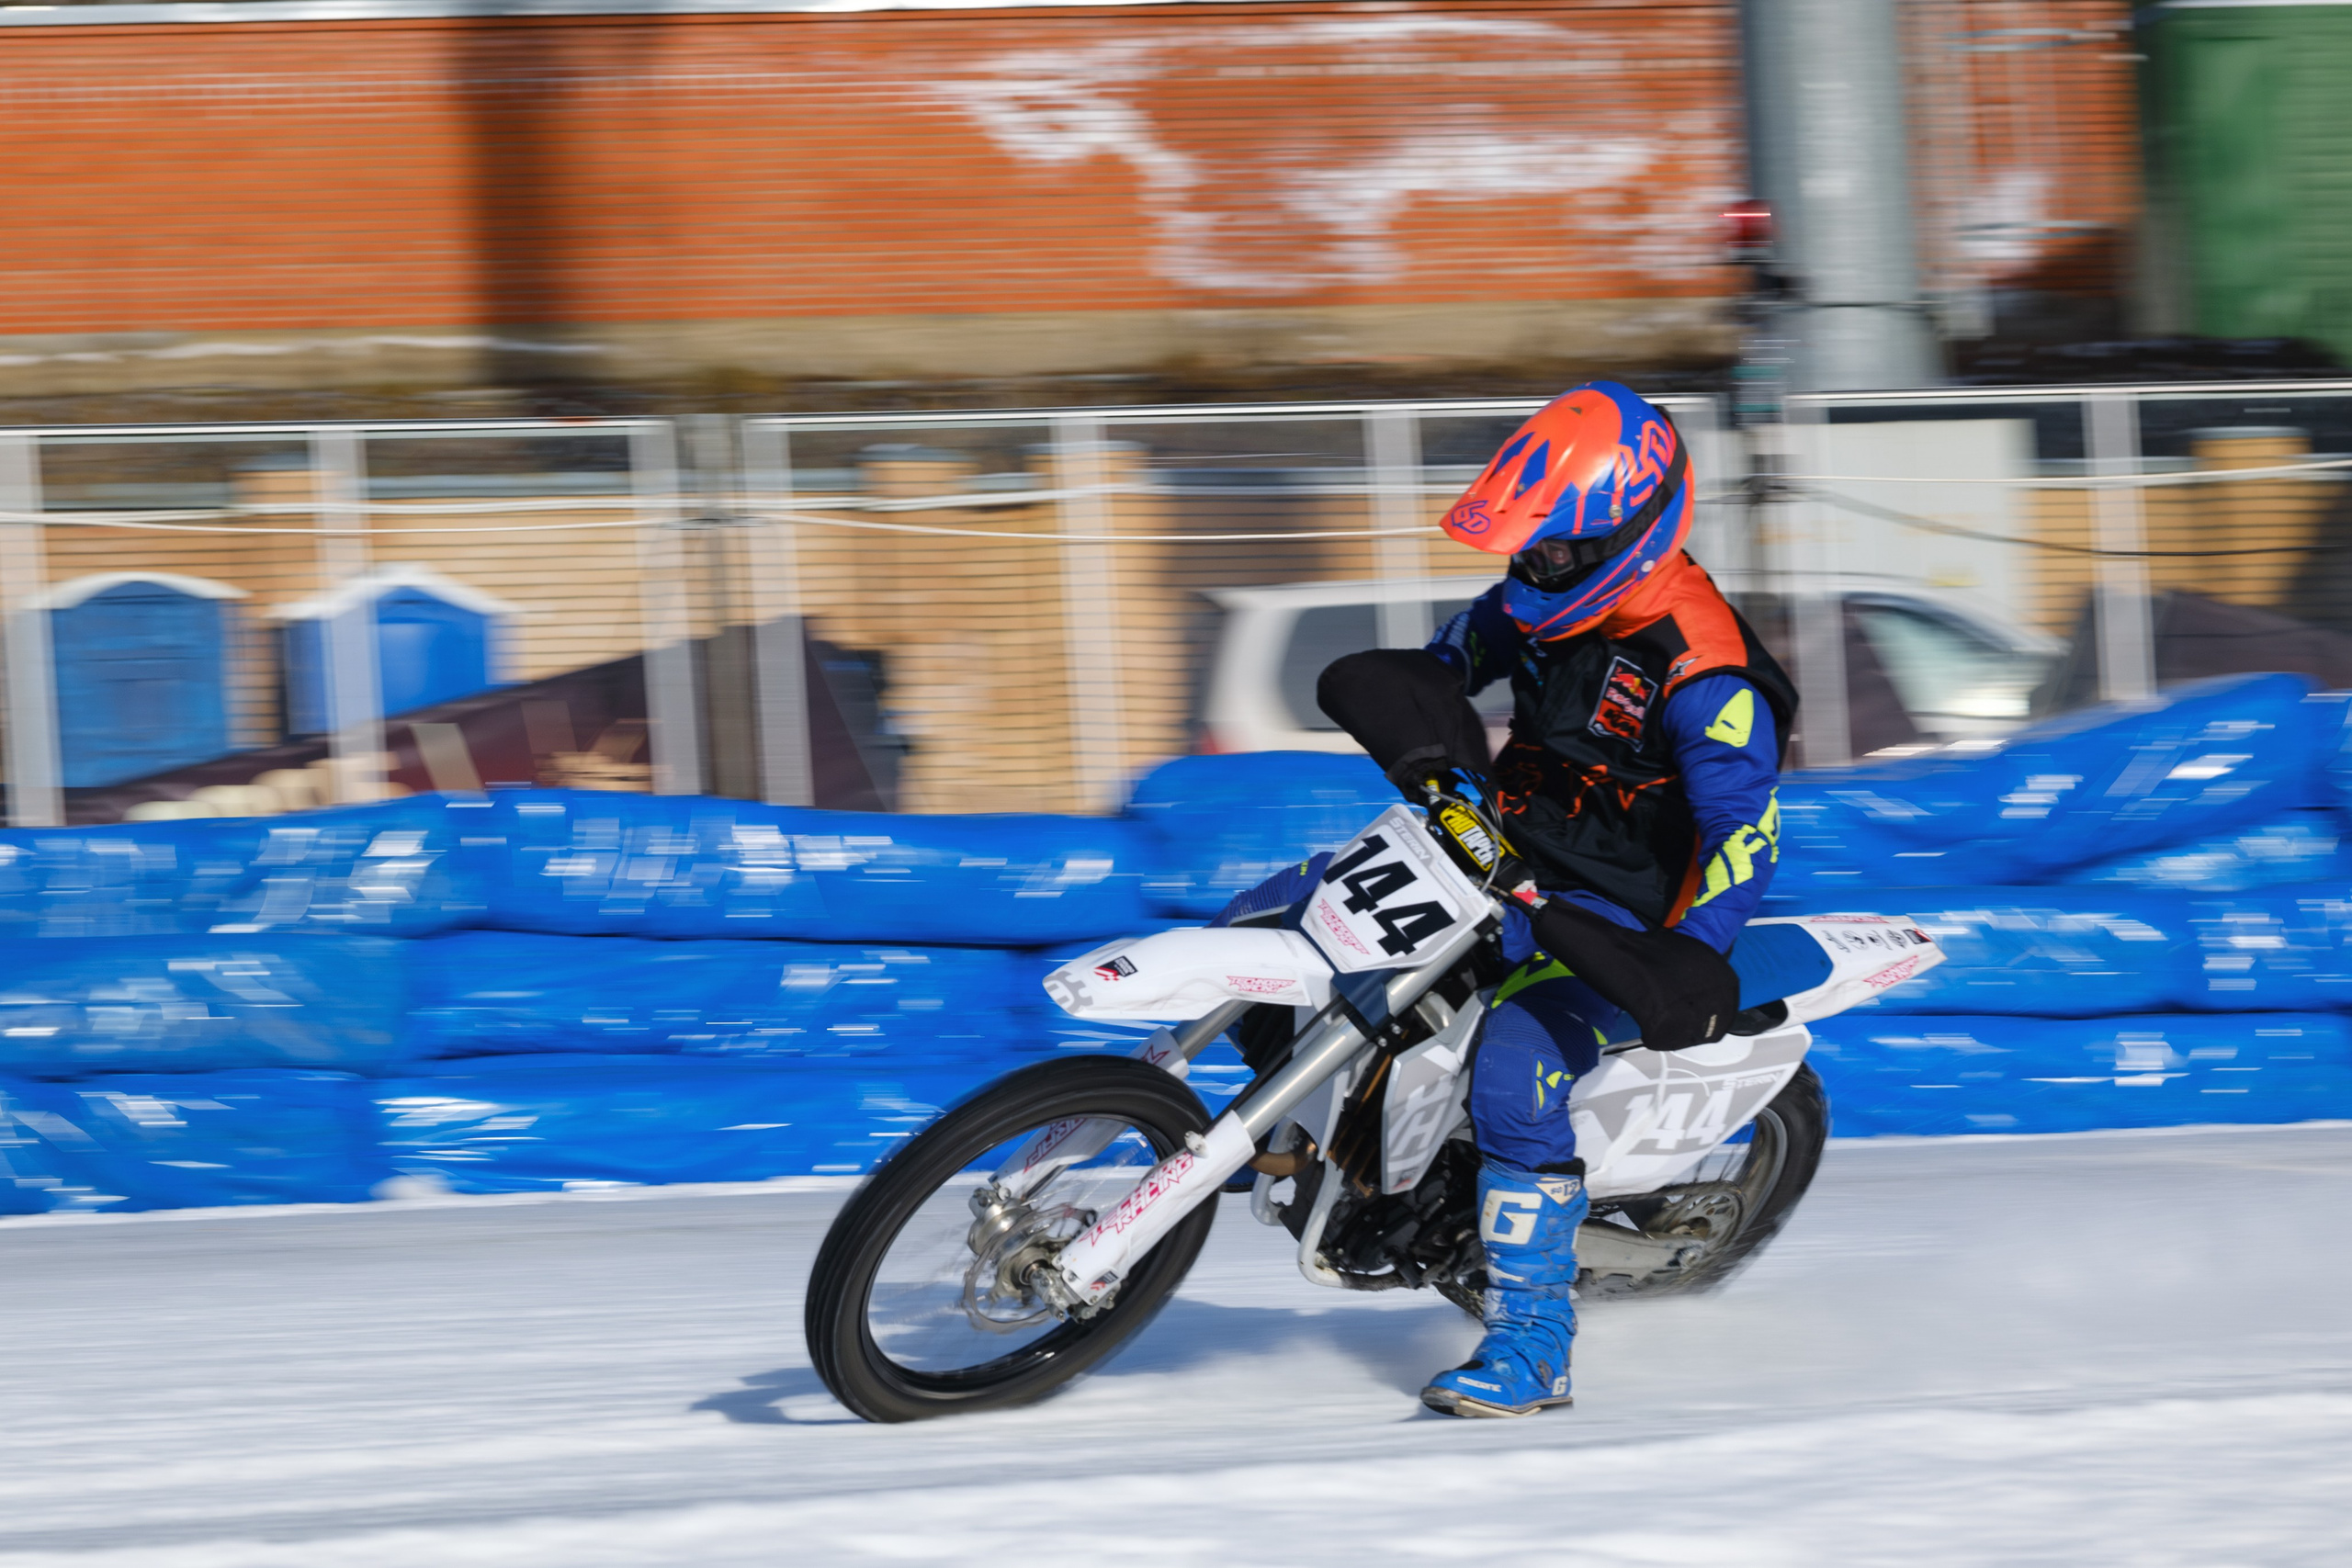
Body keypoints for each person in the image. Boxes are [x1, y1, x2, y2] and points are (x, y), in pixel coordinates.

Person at [1310, 380, 1798, 1418]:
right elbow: (1443, 670)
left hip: (1616, 916)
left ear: (1630, 529)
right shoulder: (1534, 601)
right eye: (1524, 549)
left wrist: (1683, 959)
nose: (1528, 569)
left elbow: (1740, 845)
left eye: (1552, 552)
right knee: (1293, 909)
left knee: (1515, 1068)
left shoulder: (1705, 677)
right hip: (1494, 855)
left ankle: (1532, 1343)